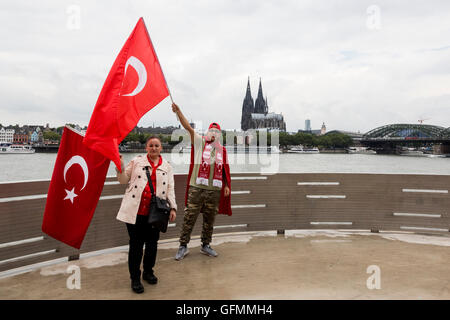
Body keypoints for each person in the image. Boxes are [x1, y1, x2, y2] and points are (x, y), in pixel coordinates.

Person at [116, 136, 177, 294]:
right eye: (151, 145)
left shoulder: (167, 167)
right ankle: (135, 278)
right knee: (136, 246)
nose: (154, 148)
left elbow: (170, 189)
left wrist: (173, 208)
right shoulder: (137, 161)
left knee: (152, 244)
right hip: (135, 211)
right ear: (146, 148)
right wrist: (119, 166)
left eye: (157, 145)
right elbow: (123, 180)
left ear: (161, 148)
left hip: (155, 213)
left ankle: (148, 272)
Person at [171, 102, 232, 261]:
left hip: (214, 190)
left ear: (219, 135)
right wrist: (179, 112)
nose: (214, 133)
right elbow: (188, 128)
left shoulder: (222, 150)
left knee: (210, 219)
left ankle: (206, 245)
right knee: (189, 217)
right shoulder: (199, 142)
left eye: (216, 131)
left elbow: (225, 169)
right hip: (196, 188)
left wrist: (226, 185)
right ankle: (183, 246)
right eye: (211, 130)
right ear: (207, 132)